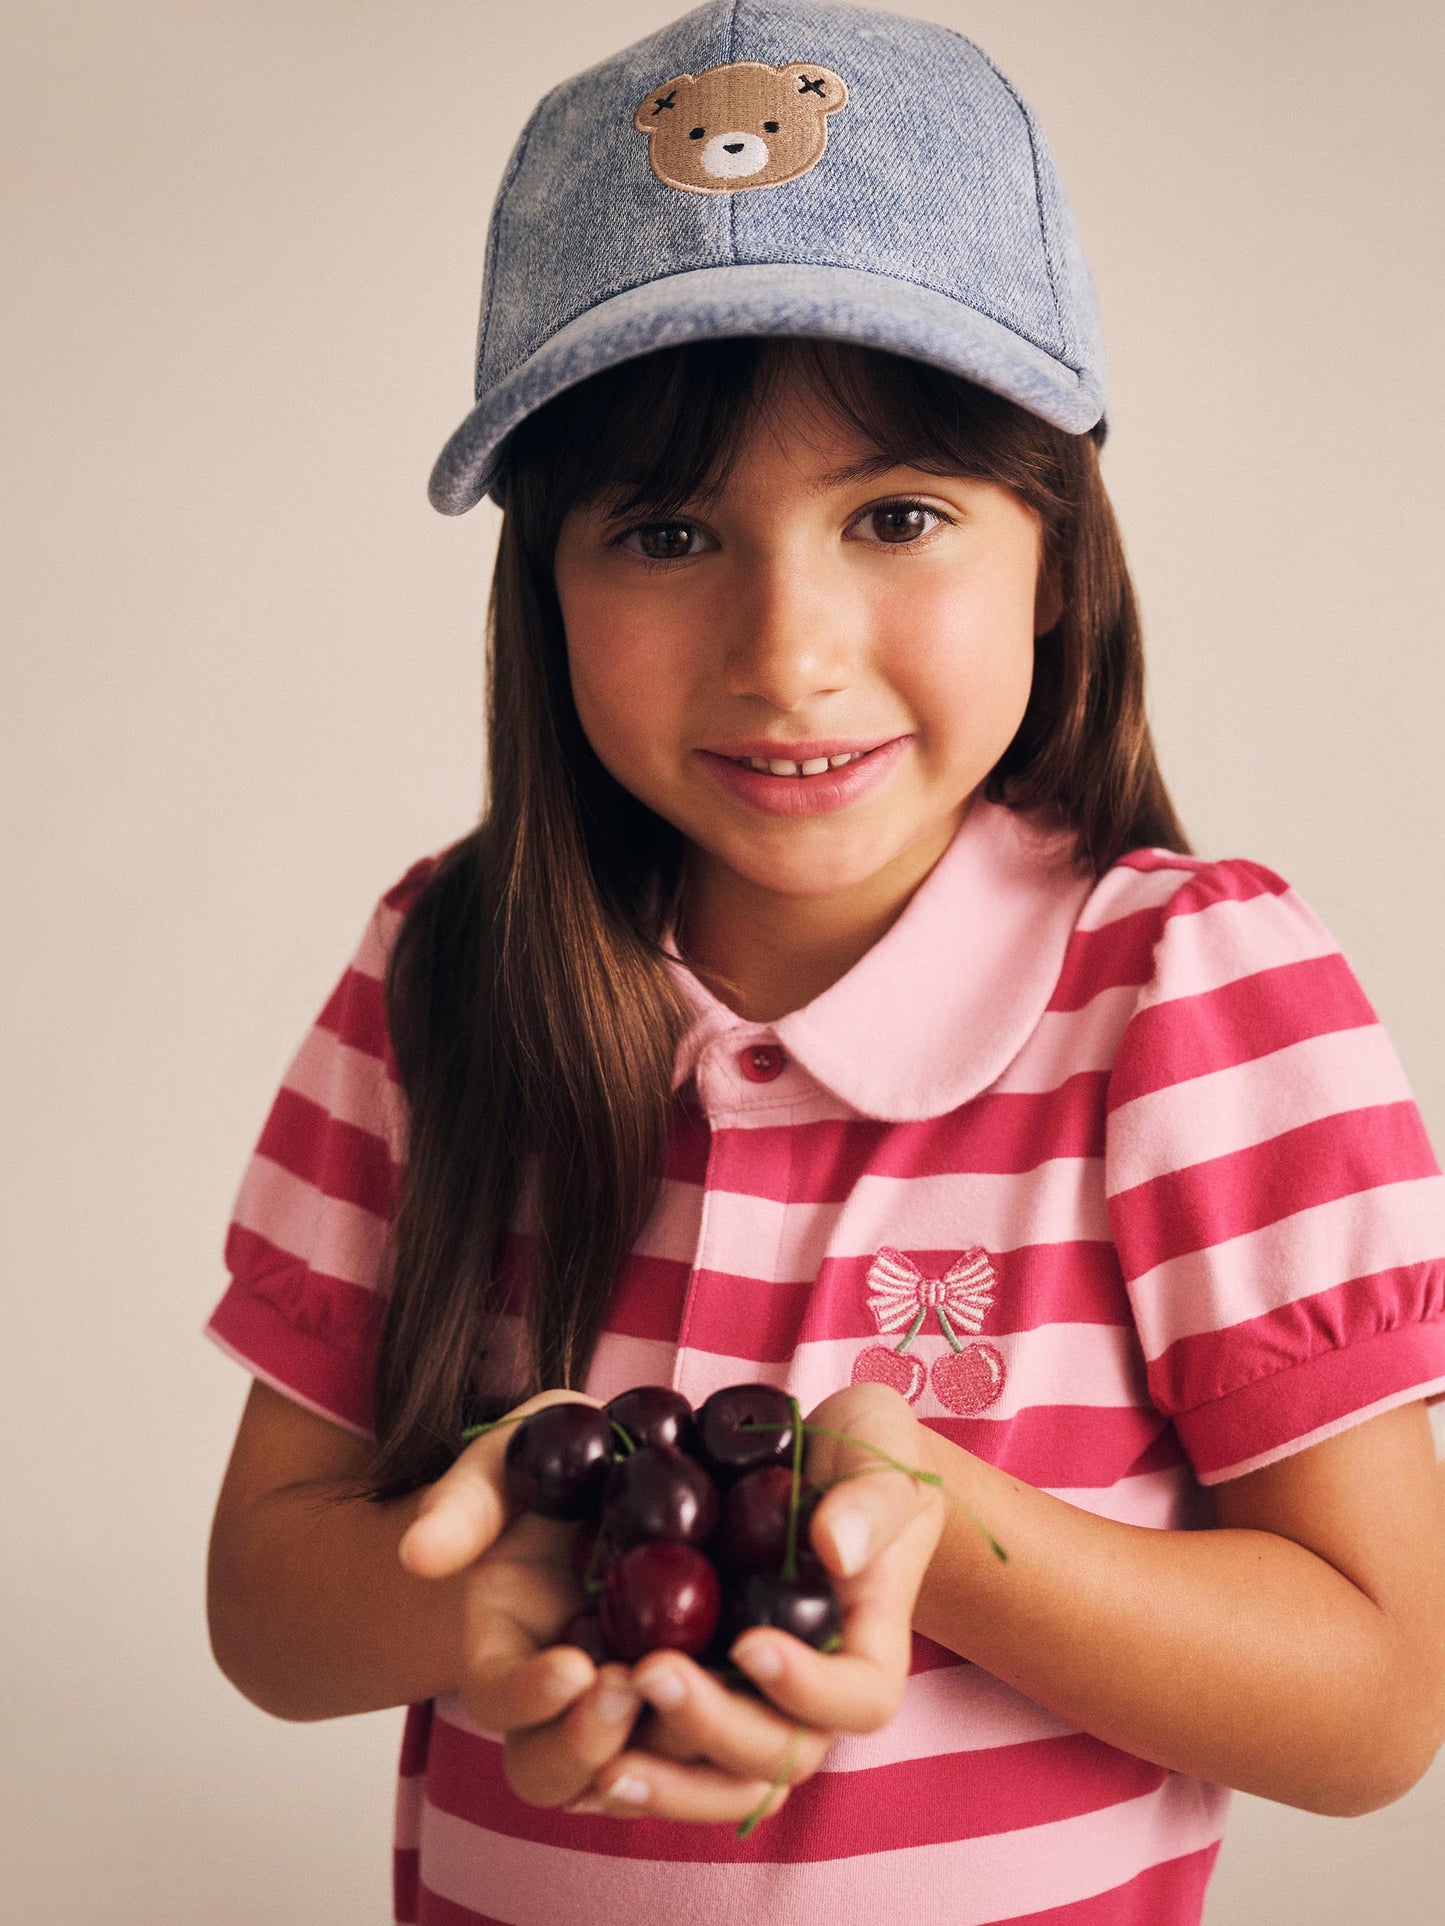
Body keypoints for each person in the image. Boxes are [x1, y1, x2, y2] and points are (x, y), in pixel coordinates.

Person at [204, 4, 1445, 1922]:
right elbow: (270, 1613)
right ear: (542, 582)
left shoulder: (1187, 996)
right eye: (670, 529)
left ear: (1057, 541)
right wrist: (519, 1543)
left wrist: (915, 1516)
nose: (786, 650)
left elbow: (1374, 1704)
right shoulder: (439, 973)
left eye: (896, 514)